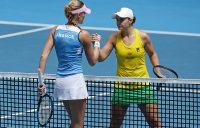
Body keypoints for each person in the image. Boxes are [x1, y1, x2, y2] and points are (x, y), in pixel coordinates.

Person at [92, 7, 161, 128]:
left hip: (143, 86)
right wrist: (97, 44)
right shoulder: (114, 38)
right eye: (117, 20)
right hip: (122, 87)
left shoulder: (143, 37)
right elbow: (101, 57)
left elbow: (152, 53)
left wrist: (158, 71)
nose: (118, 22)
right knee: (114, 124)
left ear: (131, 20)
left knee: (155, 123)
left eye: (122, 19)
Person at [38, 0, 100, 127]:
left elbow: (43, 56)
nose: (85, 16)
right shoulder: (83, 34)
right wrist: (97, 43)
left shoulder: (55, 30)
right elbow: (93, 61)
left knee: (74, 122)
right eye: (84, 13)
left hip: (61, 83)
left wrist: (41, 83)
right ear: (78, 14)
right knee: (78, 124)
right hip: (75, 83)